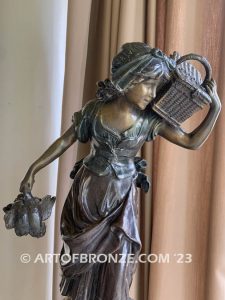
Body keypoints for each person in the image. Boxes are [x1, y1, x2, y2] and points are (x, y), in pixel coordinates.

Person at [20, 42, 221, 300]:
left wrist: (215, 109)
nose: (153, 92)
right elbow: (63, 141)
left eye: (157, 85)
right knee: (84, 271)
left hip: (121, 201)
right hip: (86, 200)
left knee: (119, 266)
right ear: (129, 79)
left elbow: (192, 141)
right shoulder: (94, 111)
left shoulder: (150, 120)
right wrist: (33, 169)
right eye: (148, 84)